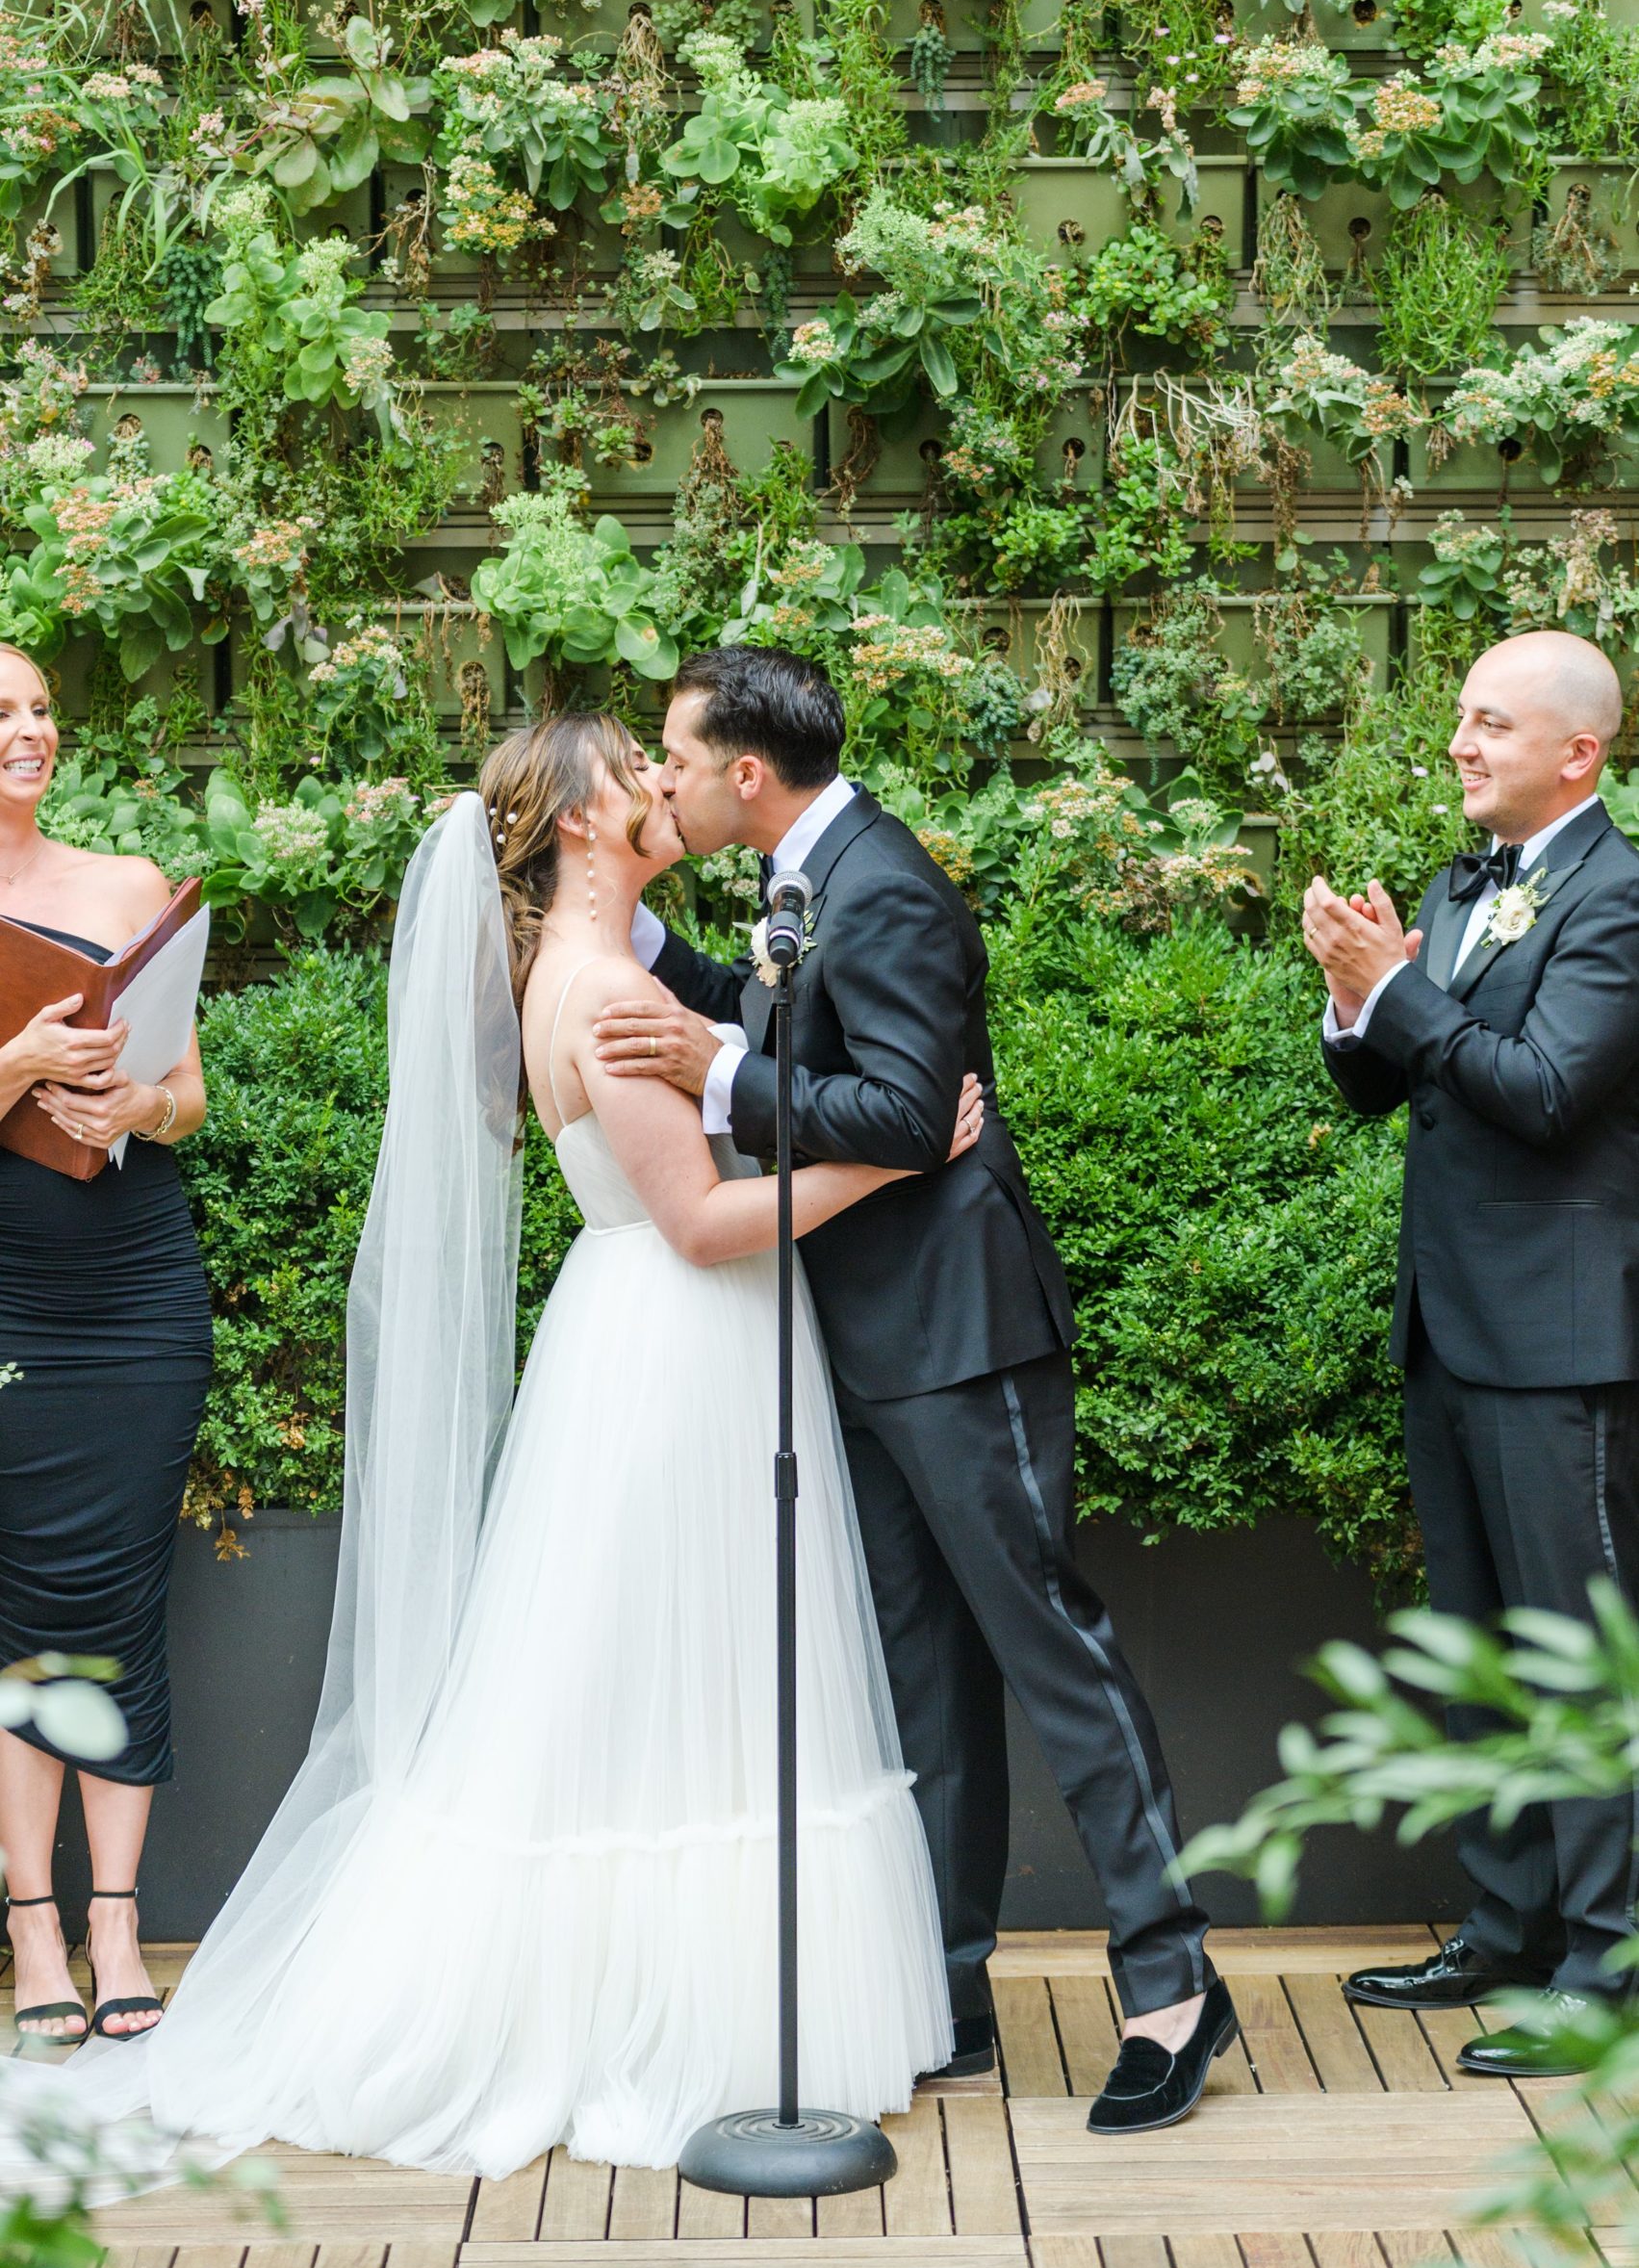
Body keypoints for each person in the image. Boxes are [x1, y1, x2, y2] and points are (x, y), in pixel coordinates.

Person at [13, 712, 967, 2176]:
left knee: (673, 1693)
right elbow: (710, 1223)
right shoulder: (592, 990)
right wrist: (900, 1148)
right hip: (676, 1349)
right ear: (579, 823)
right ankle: (658, 2026)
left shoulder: (618, 970)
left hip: (678, 1347)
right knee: (652, 1696)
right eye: (633, 770)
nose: (662, 782)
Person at [594, 645, 1232, 2136]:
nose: (666, 779)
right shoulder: (800, 879)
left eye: (677, 758)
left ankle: (1173, 1986)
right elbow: (801, 1037)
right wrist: (647, 960)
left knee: (1049, 1646)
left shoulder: (886, 888)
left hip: (959, 1334)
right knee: (919, 1674)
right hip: (855, 1343)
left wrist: (713, 1069)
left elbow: (894, 1111)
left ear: (747, 773)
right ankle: (946, 1986)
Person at [1304, 629, 1639, 2075]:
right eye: (1460, 718)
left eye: (1491, 724)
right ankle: (1506, 1927)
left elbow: (1550, 1092)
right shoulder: (1460, 886)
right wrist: (1350, 993)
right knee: (1483, 1650)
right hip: (1450, 1323)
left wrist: (1404, 990)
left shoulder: (1622, 900)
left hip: (1563, 1342)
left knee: (1577, 1664)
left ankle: (1607, 1969)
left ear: (1580, 750)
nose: (1460, 741)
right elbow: (1394, 1086)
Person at [0, 643, 210, 2046]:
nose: (31, 732)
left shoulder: (127, 888)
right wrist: (15, 1066)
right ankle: (32, 1937)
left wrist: (134, 1107)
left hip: (134, 1285)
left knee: (118, 1600)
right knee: (21, 1617)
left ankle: (119, 1922)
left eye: (37, 710)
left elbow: (190, 1089)